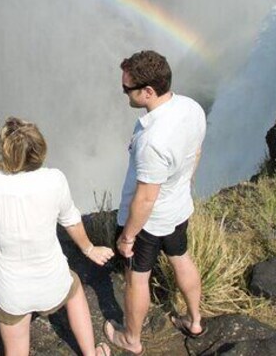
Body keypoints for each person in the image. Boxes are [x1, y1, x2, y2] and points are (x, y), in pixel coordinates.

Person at [0, 117, 114, 356]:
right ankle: (90, 353)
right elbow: (71, 219)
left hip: (11, 292)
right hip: (52, 283)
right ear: (40, 149)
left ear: (6, 151)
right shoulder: (54, 178)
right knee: (74, 290)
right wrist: (89, 249)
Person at [104, 50, 207, 354]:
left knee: (137, 278)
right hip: (177, 209)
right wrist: (183, 186)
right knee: (181, 258)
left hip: (149, 223)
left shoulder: (153, 140)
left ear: (148, 91)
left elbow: (146, 197)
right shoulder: (191, 107)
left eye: (128, 89)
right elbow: (196, 152)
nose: (124, 95)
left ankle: (131, 339)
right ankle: (195, 320)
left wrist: (127, 237)